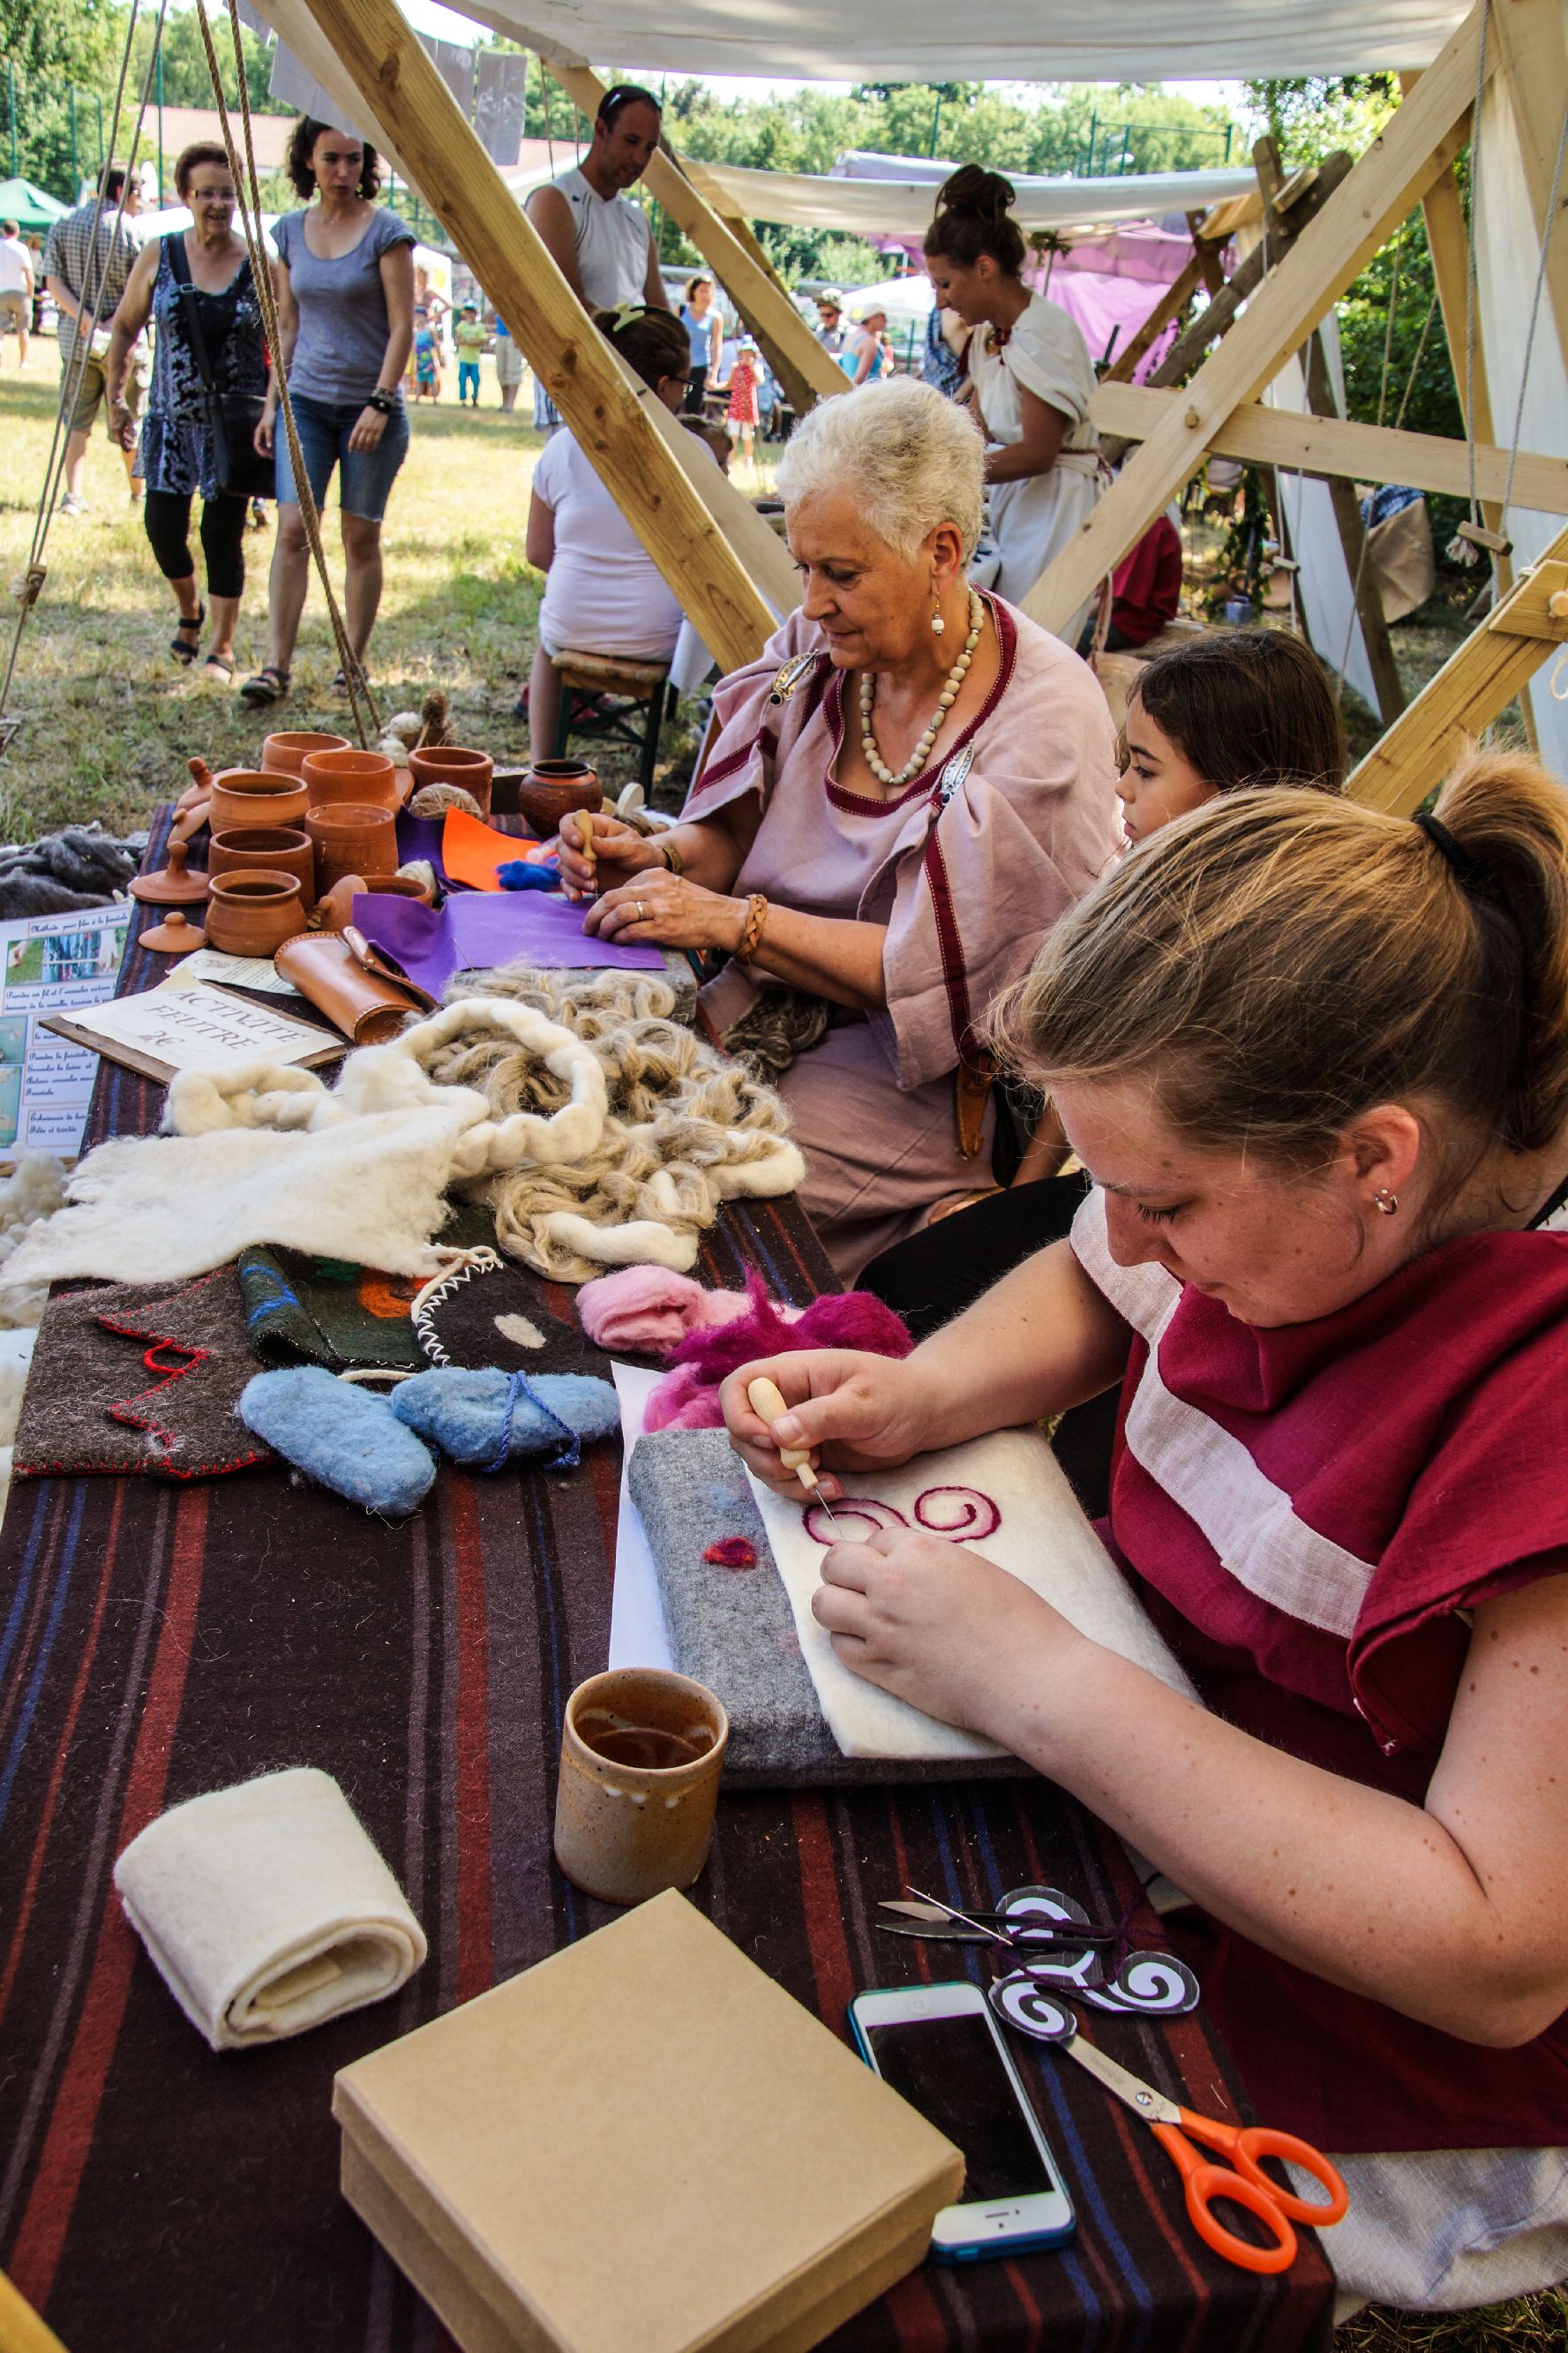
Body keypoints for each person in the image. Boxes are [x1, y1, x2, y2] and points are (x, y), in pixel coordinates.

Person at [726, 748, 1568, 2321]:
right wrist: (925, 1389)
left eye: (1164, 1200)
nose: (1126, 1237)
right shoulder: (1282, 1192)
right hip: (1174, 1800)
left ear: (1373, 1161)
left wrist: (1042, 1683)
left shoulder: (1546, 1398)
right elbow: (1093, 1275)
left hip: (1405, 2048)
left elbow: (1496, 1950)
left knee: (865, 2199)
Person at [554, 376, 1121, 1279]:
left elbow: (950, 974)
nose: (811, 602)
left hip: (916, 1077)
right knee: (570, 1114)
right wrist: (655, 856)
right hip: (758, 996)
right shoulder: (814, 656)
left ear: (942, 549)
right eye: (804, 567)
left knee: (670, 1194)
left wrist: (734, 923)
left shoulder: (1037, 718)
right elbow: (727, 842)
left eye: (842, 574)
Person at [862, 626, 1347, 1353]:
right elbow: (1076, 1078)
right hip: (1129, 1198)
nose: (1120, 788)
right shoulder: (1142, 881)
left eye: (1144, 771)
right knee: (899, 1287)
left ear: (1228, 792)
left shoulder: (1288, 945)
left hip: (1230, 1236)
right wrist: (1021, 1194)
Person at [240, 118, 415, 708]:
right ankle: (275, 666)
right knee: (292, 530)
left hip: (371, 409)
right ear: (308, 163)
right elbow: (286, 324)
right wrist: (272, 405)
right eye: (331, 159)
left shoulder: (387, 232)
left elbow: (402, 327)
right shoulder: (288, 232)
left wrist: (381, 401)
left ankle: (353, 664)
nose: (344, 171)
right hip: (307, 404)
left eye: (354, 159)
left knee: (358, 537)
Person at [103, 142, 268, 683]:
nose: (218, 203)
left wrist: (274, 412)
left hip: (233, 426)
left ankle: (221, 645)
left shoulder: (258, 264)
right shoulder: (160, 253)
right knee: (162, 527)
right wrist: (116, 396)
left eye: (227, 192)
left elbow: (288, 337)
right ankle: (189, 609)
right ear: (185, 196)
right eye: (207, 193)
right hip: (170, 422)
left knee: (223, 533)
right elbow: (126, 326)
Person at [925, 165, 1101, 635]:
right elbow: (977, 431)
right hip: (1011, 503)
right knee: (987, 639)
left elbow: (1038, 453)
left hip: (1055, 509)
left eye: (946, 284)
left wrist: (954, 474)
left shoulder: (1044, 331)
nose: (941, 302)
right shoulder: (988, 336)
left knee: (1031, 641)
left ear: (984, 268)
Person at [523, 307, 706, 761]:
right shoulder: (693, 453)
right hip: (657, 633)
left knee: (546, 643)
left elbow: (537, 551)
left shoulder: (562, 446)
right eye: (685, 385)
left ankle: (541, 764)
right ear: (663, 386)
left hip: (570, 623)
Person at [42, 164, 147, 515]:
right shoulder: (133, 230)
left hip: (77, 340)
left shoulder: (63, 222)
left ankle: (73, 495)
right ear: (121, 192)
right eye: (137, 194)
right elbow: (143, 290)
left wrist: (86, 319)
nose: (140, 202)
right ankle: (139, 493)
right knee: (130, 417)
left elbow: (53, 283)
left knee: (76, 420)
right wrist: (111, 321)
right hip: (126, 345)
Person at [525, 85, 668, 316]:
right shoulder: (554, 202)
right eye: (631, 141)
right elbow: (567, 310)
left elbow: (662, 316)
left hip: (630, 352)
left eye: (649, 148)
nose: (639, 158)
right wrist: (638, 335)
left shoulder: (637, 221)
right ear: (601, 130)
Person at [679, 272, 722, 415]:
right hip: (680, 363)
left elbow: (716, 346)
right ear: (694, 291)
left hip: (700, 366)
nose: (705, 295)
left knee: (693, 407)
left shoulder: (715, 317)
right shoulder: (682, 310)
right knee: (675, 403)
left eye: (708, 291)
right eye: (701, 290)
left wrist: (713, 374)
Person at [0, 220, 34, 368]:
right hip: (20, 292)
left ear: (3, 231)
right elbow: (28, 273)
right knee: (23, 329)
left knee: (0, 329)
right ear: (17, 232)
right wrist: (31, 293)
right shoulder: (21, 248)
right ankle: (23, 361)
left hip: (1, 291)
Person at [726, 335, 761, 470]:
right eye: (744, 353)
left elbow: (759, 380)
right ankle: (729, 460)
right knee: (733, 435)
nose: (746, 356)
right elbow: (730, 384)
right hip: (736, 405)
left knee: (747, 437)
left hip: (748, 407)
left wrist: (751, 367)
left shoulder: (756, 368)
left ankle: (748, 461)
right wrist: (715, 386)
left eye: (750, 354)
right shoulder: (736, 367)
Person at [841, 304, 892, 387]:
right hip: (866, 395)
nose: (886, 321)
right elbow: (859, 379)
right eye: (883, 317)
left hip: (851, 394)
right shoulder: (869, 342)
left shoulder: (850, 336)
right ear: (873, 317)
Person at [454, 300, 485, 406]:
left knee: (475, 380)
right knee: (462, 379)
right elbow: (457, 340)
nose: (470, 315)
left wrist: (473, 342)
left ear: (476, 314)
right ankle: (463, 398)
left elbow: (482, 341)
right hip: (463, 359)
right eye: (468, 312)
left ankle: (475, 398)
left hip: (474, 360)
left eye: (472, 312)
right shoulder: (462, 326)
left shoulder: (479, 327)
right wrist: (465, 341)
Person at [493, 314, 524, 410]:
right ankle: (504, 403)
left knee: (513, 370)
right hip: (500, 334)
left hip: (515, 335)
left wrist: (519, 335)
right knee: (501, 370)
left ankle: (510, 404)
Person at [411, 316, 442, 401]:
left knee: (431, 379)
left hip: (428, 359)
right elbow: (414, 347)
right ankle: (417, 399)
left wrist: (438, 356)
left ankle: (435, 399)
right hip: (419, 360)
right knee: (419, 379)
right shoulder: (416, 332)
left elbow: (436, 344)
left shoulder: (430, 331)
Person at [814, 288, 846, 356]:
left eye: (829, 315)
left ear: (839, 313)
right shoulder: (817, 330)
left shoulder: (846, 334)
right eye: (822, 315)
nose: (825, 319)